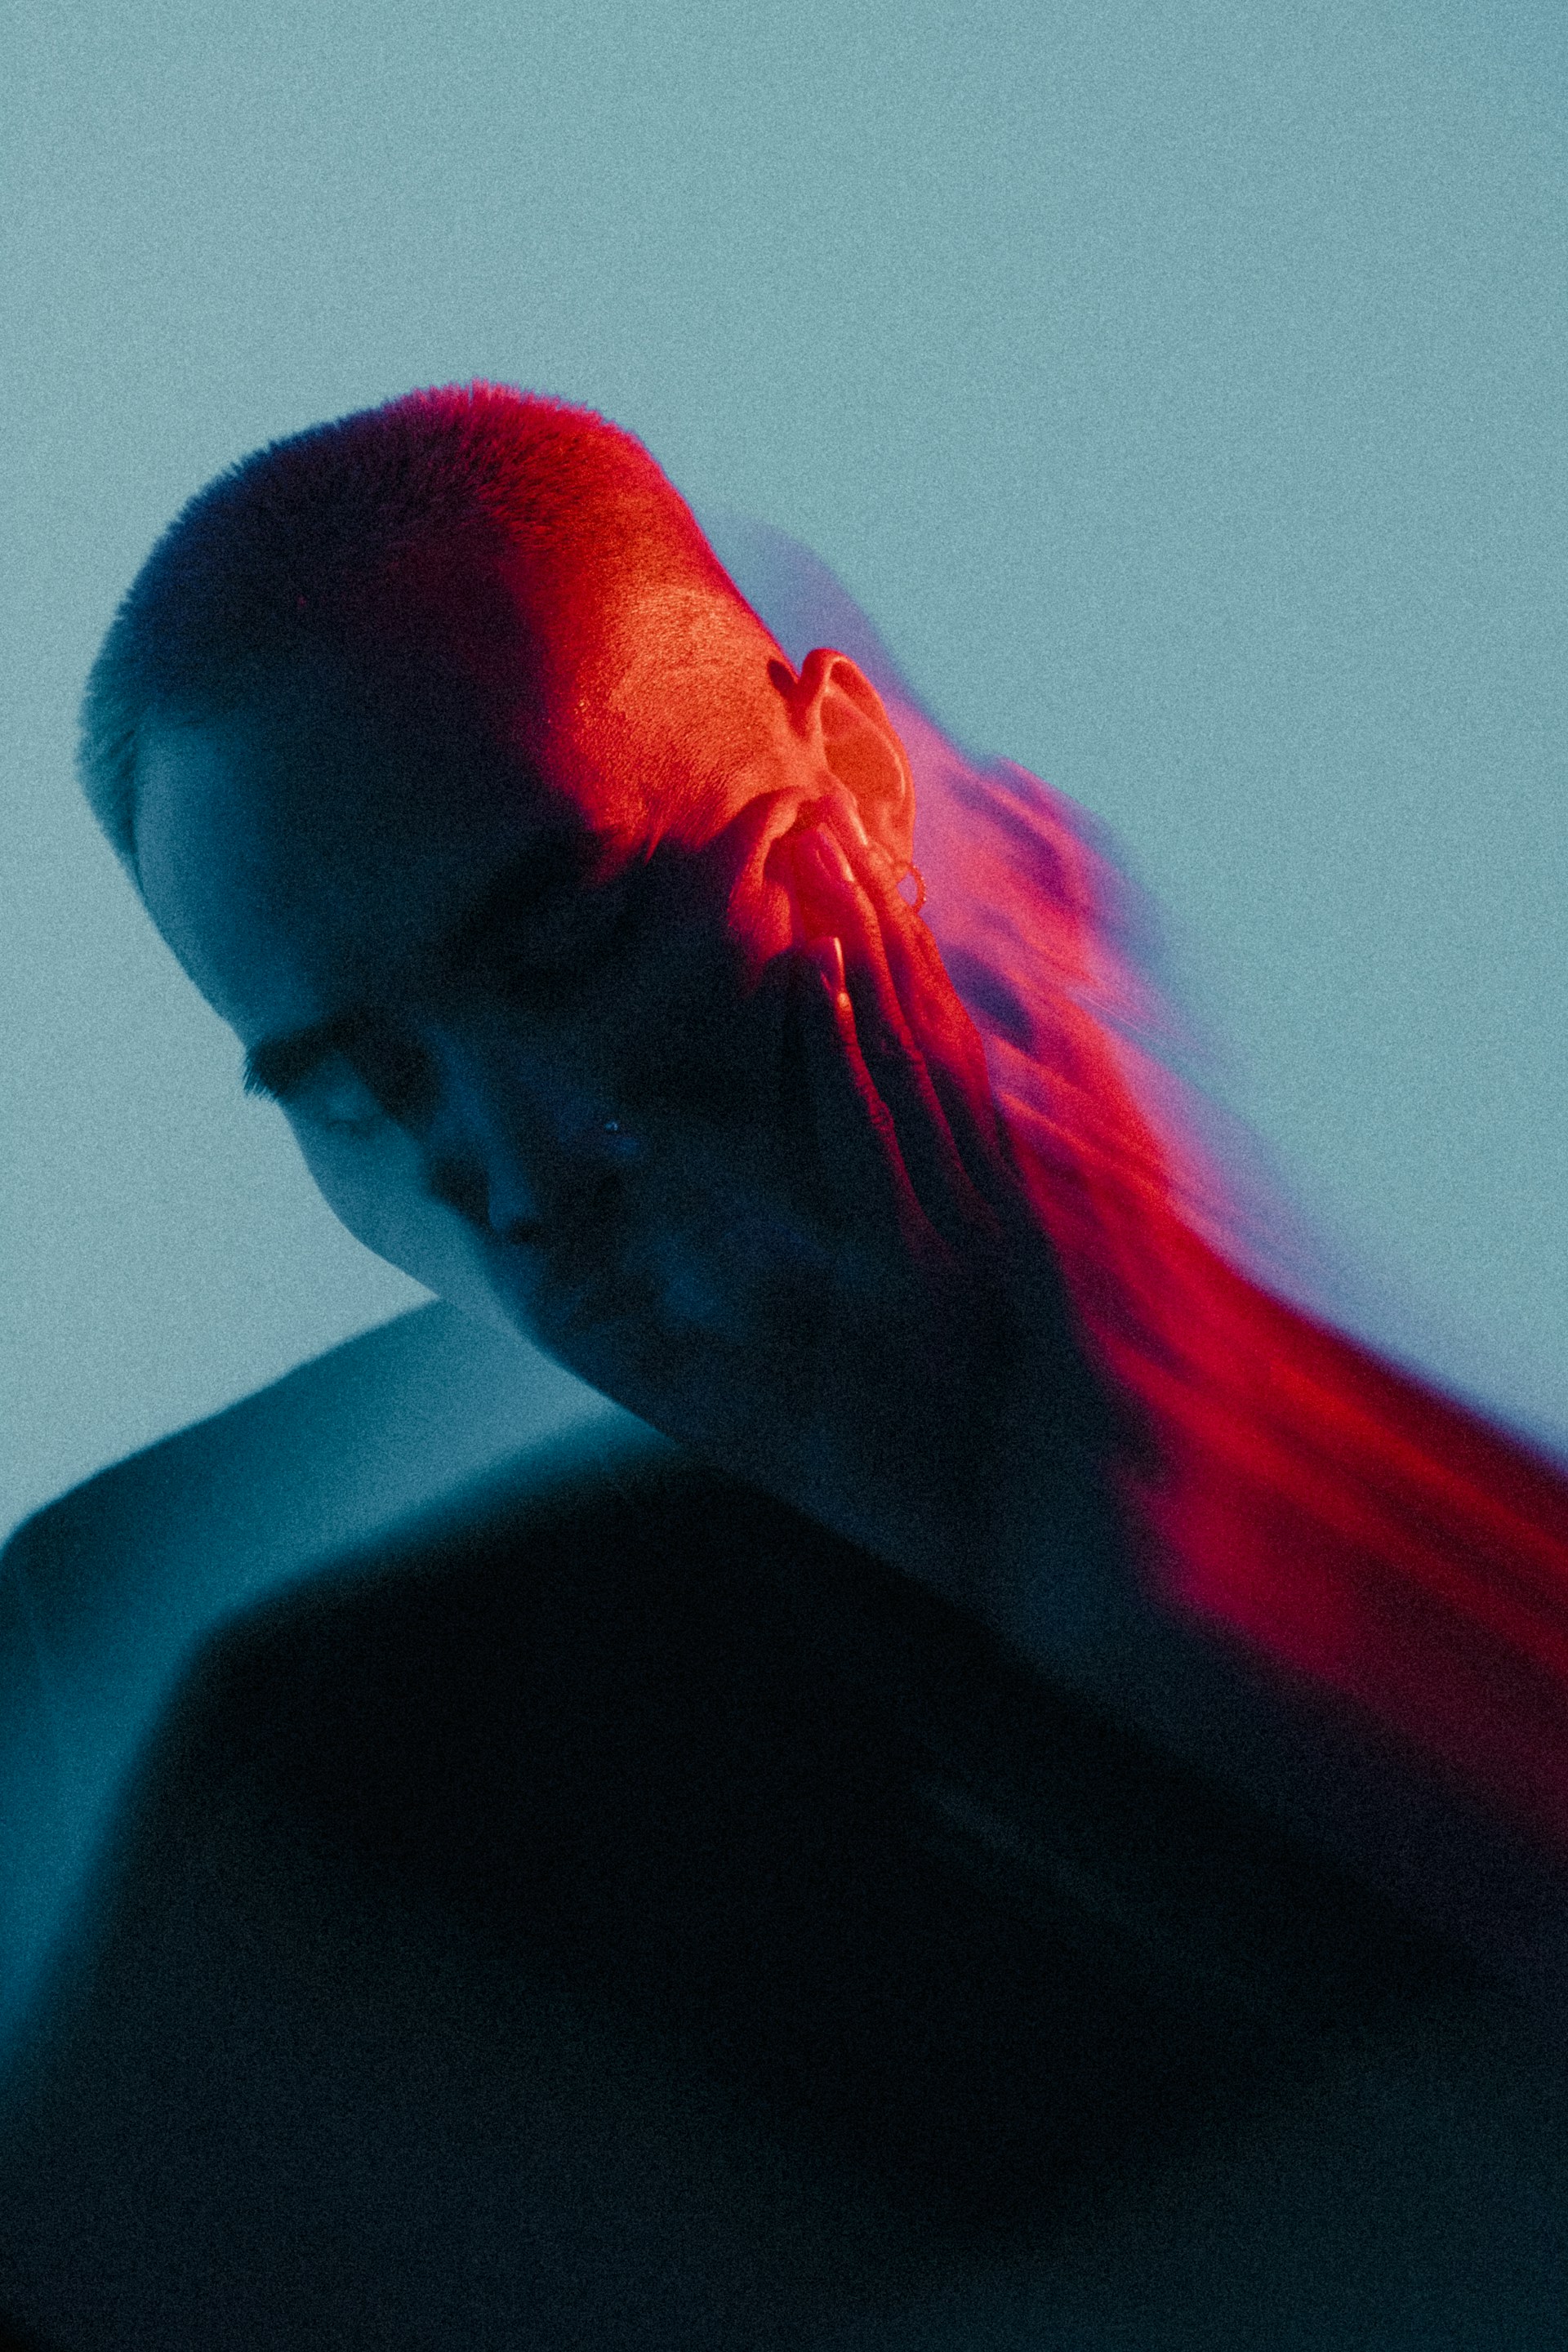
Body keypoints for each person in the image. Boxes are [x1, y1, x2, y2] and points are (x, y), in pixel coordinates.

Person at [6, 381, 1568, 2345]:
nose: (517, 1169)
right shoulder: (280, 1778)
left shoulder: (1444, 1552)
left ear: (856, 780)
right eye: (360, 1086)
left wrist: (1195, 1659)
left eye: (576, 936)